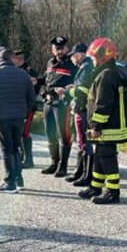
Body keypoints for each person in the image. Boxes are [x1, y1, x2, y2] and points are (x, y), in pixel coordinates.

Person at [78, 37, 127, 205]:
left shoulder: (107, 74)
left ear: (104, 55)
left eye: (94, 57)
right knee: (99, 156)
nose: (93, 61)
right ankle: (96, 186)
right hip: (104, 126)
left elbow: (103, 103)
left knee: (106, 157)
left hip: (108, 127)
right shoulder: (105, 72)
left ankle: (112, 192)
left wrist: (96, 125)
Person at [0, 49, 37, 193]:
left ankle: (10, 182)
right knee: (16, 147)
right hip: (19, 116)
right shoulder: (23, 75)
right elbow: (31, 97)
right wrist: (24, 112)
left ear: (0, 60)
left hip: (2, 116)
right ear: (12, 58)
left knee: (6, 149)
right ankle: (19, 180)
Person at [55, 43, 94, 186]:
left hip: (84, 110)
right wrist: (74, 88)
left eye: (72, 56)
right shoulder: (85, 67)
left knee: (85, 144)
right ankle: (80, 172)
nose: (72, 59)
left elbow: (82, 91)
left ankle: (87, 175)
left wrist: (66, 92)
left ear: (78, 55)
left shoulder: (86, 67)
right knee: (81, 143)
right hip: (81, 109)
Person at [39, 36, 77, 177]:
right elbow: (44, 81)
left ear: (66, 48)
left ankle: (63, 166)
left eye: (62, 48)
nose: (59, 51)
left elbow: (78, 82)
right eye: (57, 48)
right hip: (48, 102)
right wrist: (42, 91)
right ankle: (54, 163)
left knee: (64, 134)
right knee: (49, 133)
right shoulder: (50, 63)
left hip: (62, 103)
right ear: (52, 50)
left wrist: (66, 91)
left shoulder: (72, 63)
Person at [12, 50, 39, 169]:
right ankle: (23, 155)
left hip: (28, 106)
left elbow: (35, 89)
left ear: (20, 59)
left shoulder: (29, 71)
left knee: (25, 132)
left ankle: (29, 159)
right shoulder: (13, 70)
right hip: (17, 106)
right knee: (19, 132)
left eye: (16, 59)